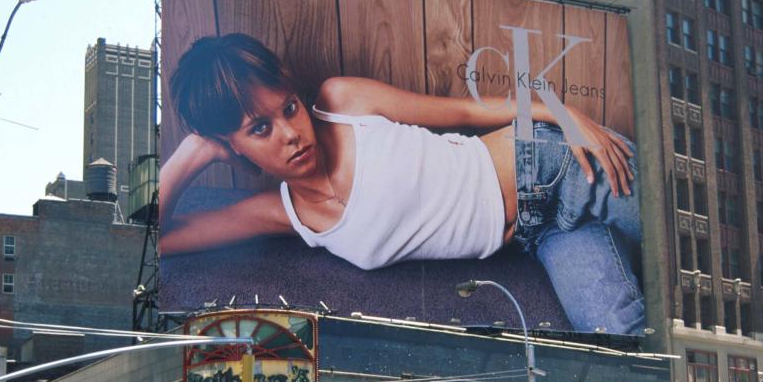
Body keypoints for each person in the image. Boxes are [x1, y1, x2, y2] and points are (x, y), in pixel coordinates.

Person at [161, 33, 646, 336]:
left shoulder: (341, 100)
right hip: (540, 237)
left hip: (551, 165)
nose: (291, 133)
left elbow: (465, 112)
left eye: (287, 108)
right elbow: (156, 240)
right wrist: (194, 153)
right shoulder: (282, 213)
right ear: (232, 145)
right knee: (620, 337)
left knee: (693, 244)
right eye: (259, 129)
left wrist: (563, 114)